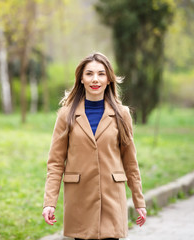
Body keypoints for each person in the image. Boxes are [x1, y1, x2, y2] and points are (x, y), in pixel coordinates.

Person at [42, 52, 146, 240]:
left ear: (109, 79)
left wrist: (139, 201)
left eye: (101, 74)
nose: (95, 79)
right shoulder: (66, 115)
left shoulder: (122, 114)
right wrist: (49, 202)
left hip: (112, 199)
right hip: (79, 199)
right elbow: (56, 163)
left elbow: (130, 162)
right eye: (89, 74)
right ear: (81, 79)